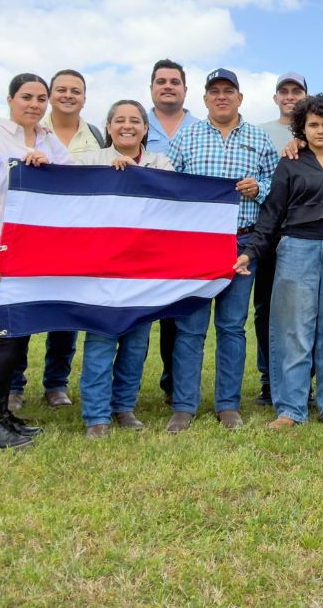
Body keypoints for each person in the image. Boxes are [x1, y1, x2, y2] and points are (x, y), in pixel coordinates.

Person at [234, 94, 323, 429]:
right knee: (292, 329)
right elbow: (272, 212)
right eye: (313, 124)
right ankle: (290, 409)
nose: (320, 130)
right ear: (302, 128)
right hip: (297, 248)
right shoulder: (290, 163)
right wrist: (251, 251)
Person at [0, 73, 71, 449]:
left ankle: (3, 415)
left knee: (18, 334)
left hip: (30, 257)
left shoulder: (50, 141)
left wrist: (47, 168)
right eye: (26, 97)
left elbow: (71, 185)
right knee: (7, 335)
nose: (34, 105)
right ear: (10, 99)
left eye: (41, 99)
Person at [165, 68, 279, 433]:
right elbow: (168, 183)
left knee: (232, 326)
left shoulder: (258, 138)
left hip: (243, 243)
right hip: (197, 246)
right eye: (214, 91)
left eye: (228, 91)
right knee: (190, 327)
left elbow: (277, 186)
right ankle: (184, 406)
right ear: (205, 99)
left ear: (240, 98)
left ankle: (228, 404)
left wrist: (258, 188)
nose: (221, 96)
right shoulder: (188, 136)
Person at [74, 100, 175, 438]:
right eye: (119, 120)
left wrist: (137, 175)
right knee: (101, 340)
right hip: (102, 267)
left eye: (135, 120)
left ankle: (124, 407)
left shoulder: (160, 162)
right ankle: (96, 415)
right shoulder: (89, 161)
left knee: (136, 342)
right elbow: (69, 196)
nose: (127, 126)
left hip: (144, 267)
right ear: (108, 126)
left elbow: (169, 199)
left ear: (146, 128)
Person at [11, 68, 101, 411]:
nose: (68, 95)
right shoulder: (31, 129)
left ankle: (56, 383)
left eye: (75, 90)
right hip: (31, 234)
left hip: (76, 237)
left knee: (67, 312)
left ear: (84, 98)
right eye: (61, 89)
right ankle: (13, 384)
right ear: (50, 95)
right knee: (20, 308)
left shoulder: (95, 135)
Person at [143, 58, 200, 408]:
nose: (168, 86)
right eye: (161, 81)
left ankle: (172, 382)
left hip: (184, 233)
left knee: (174, 312)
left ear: (185, 89)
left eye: (174, 81)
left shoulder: (199, 127)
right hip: (141, 231)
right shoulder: (134, 121)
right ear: (151, 87)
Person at [253, 71, 308, 406]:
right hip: (270, 233)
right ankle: (270, 381)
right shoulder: (261, 133)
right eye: (284, 91)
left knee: (303, 311)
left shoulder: (319, 131)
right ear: (275, 98)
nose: (290, 97)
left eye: (296, 91)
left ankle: (304, 380)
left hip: (306, 234)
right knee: (266, 310)